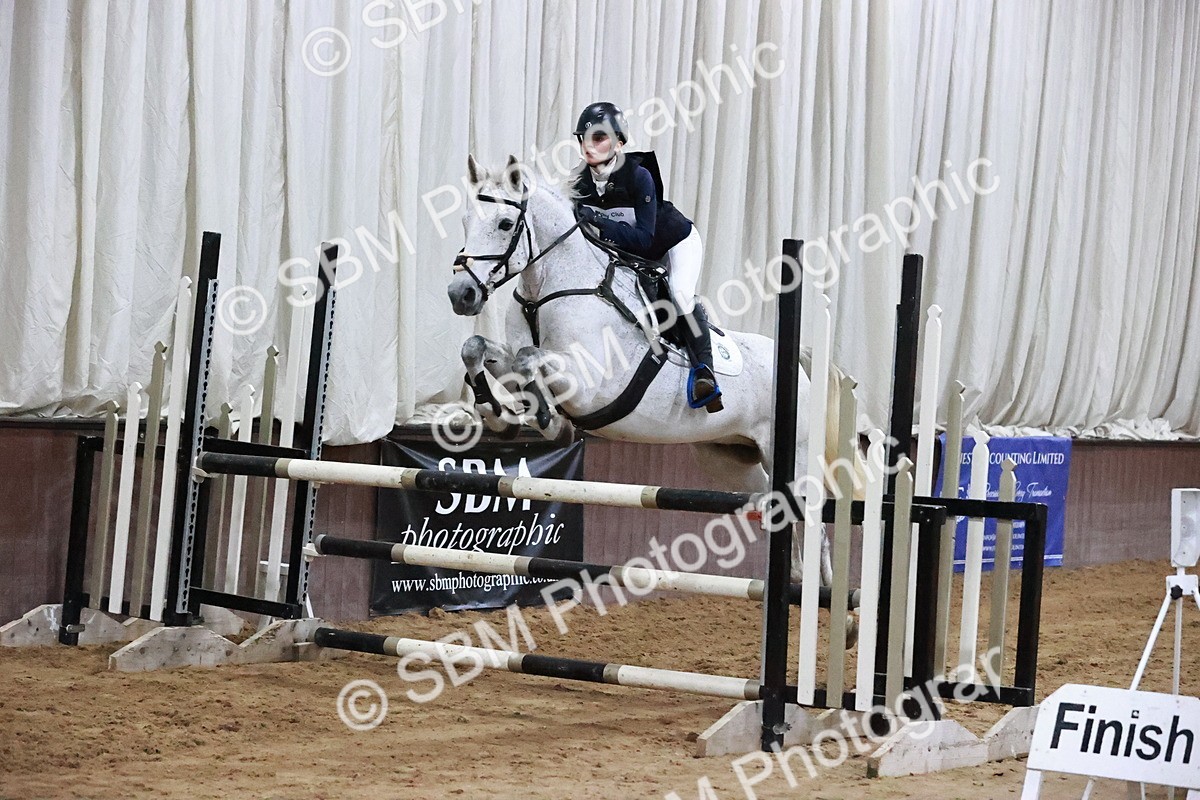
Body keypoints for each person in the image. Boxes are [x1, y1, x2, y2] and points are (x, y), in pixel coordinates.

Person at [570, 101, 722, 413]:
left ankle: (704, 372)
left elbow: (644, 239)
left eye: (598, 138)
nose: (589, 144)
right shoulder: (579, 184)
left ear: (619, 143)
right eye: (584, 138)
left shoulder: (638, 177)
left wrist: (598, 221)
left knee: (679, 294)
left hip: (672, 243)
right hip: (630, 254)